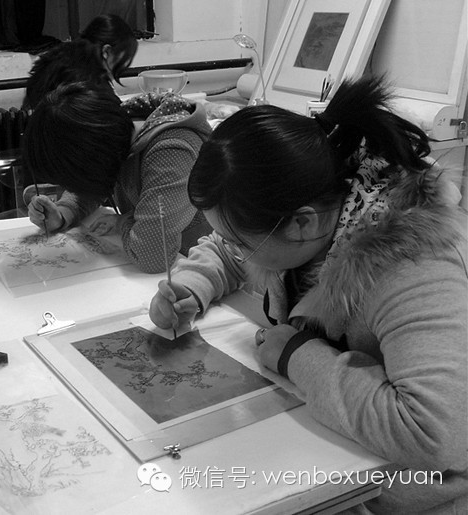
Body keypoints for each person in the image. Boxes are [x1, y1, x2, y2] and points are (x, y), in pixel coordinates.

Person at [148, 75, 467, 514]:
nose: (233, 247)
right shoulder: (314, 203)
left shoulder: (415, 270)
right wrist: (191, 285)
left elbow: (435, 435)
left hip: (406, 495)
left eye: (241, 240)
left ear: (302, 223)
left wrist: (298, 356)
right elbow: (226, 249)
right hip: (332, 455)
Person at [21, 82, 213, 273]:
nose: (72, 186)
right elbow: (96, 181)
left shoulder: (172, 150)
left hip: (198, 263)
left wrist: (122, 222)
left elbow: (152, 256)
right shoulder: (113, 132)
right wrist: (63, 213)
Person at [22, 13, 138, 109]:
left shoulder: (60, 57)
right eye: (123, 59)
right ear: (106, 51)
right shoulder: (89, 84)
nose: (124, 66)